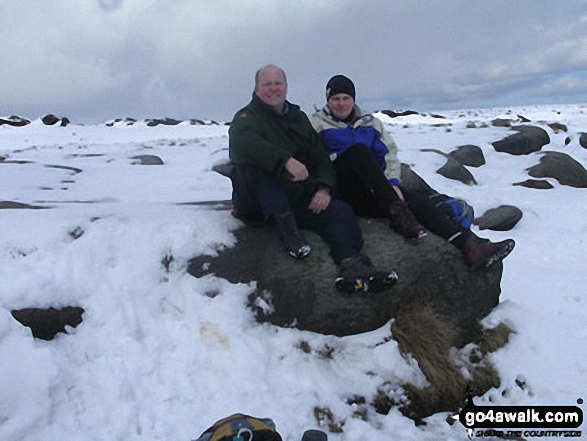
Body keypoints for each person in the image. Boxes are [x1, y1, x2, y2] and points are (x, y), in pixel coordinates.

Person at [311, 75, 515, 269]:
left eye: (346, 98)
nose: (341, 103)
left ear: (353, 99)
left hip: (372, 190)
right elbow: (313, 160)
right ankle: (398, 213)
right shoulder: (317, 125)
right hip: (341, 189)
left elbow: (389, 155)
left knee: (420, 203)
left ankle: (470, 245)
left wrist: (392, 185)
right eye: (335, 98)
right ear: (328, 101)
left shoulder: (370, 123)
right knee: (358, 152)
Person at [228, 65, 397, 292]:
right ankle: (287, 231)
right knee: (250, 168)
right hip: (258, 204)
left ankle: (352, 266)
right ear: (256, 89)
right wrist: (285, 161)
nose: (273, 88)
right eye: (267, 84)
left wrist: (324, 188)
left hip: (294, 197)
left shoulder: (297, 118)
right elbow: (244, 145)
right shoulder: (245, 118)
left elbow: (320, 158)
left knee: (339, 210)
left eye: (278, 83)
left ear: (286, 87)